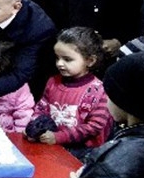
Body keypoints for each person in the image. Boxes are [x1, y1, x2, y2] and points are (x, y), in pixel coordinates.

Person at [26, 26, 113, 161]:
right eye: (57, 58)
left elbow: (94, 127)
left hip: (82, 153)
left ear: (90, 61)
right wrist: (34, 128)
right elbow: (41, 109)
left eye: (67, 59)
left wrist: (59, 137)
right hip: (50, 146)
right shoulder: (53, 81)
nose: (59, 64)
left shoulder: (99, 90)